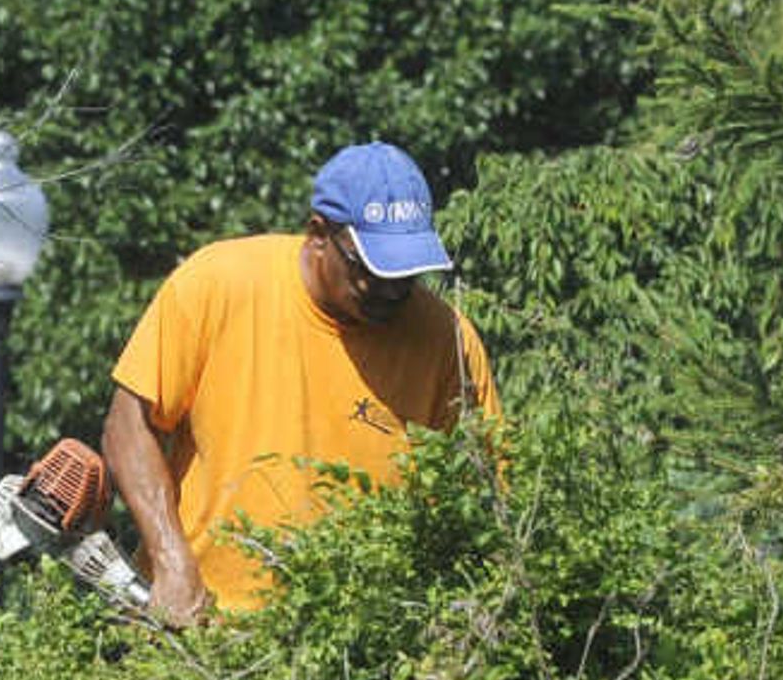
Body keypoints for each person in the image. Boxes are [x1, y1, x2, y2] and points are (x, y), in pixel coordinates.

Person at [100, 141, 499, 627]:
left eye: (405, 272)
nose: (391, 289)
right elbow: (127, 428)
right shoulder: (219, 284)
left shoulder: (446, 341)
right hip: (201, 627)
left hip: (367, 647)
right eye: (370, 268)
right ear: (318, 235)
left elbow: (489, 498)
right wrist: (170, 560)